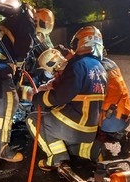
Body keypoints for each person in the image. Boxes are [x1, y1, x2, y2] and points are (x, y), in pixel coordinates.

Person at [26, 26, 108, 170]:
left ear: (82, 42)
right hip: (90, 129)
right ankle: (92, 151)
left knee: (34, 119)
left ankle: (56, 158)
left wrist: (38, 98)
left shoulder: (77, 65)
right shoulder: (100, 68)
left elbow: (61, 96)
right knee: (77, 151)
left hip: (74, 125)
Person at [0, 7, 42, 162]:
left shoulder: (12, 21)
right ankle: (2, 148)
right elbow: (22, 50)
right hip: (0, 66)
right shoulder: (27, 23)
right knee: (10, 100)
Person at [97, 52, 130, 155]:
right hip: (124, 114)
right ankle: (123, 137)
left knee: (82, 116)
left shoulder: (95, 68)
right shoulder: (110, 63)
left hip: (109, 118)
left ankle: (98, 147)